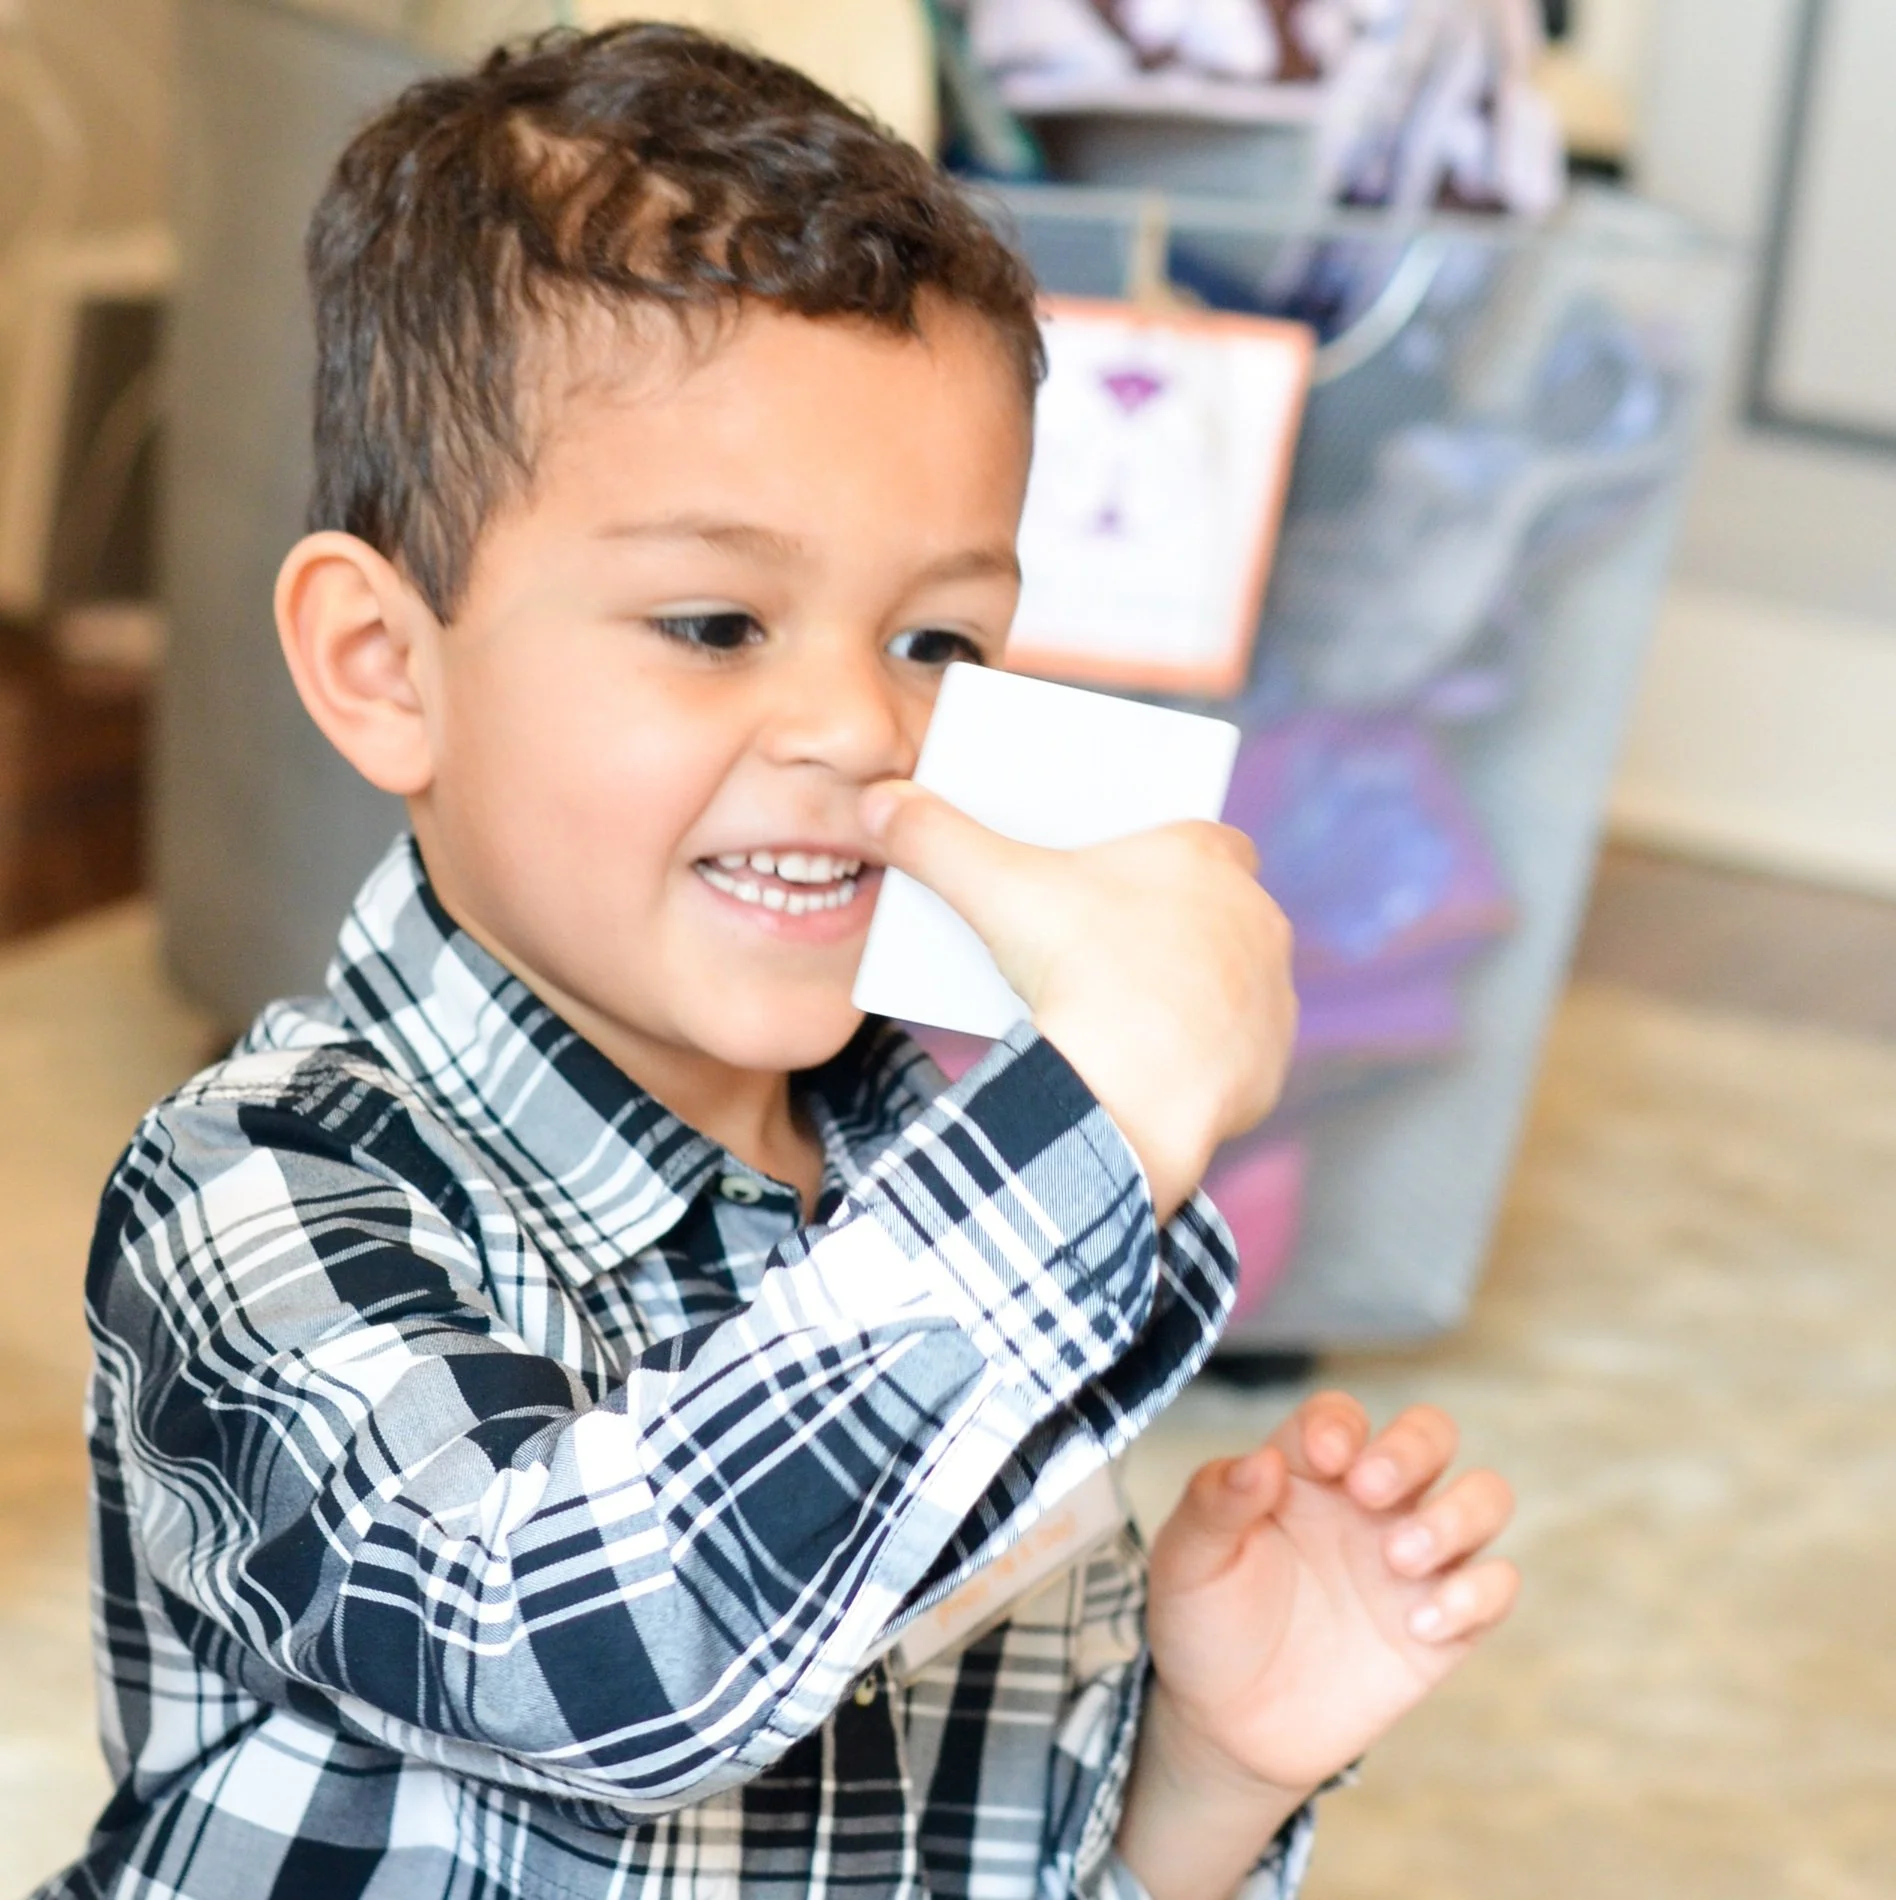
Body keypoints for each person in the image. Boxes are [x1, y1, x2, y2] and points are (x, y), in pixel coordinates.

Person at [43, 24, 1517, 1900]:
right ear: (384, 665)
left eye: (939, 644)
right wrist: (1109, 1106)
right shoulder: (259, 1197)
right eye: (719, 620)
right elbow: (586, 1656)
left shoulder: (942, 1208)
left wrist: (1204, 1779)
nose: (857, 727)